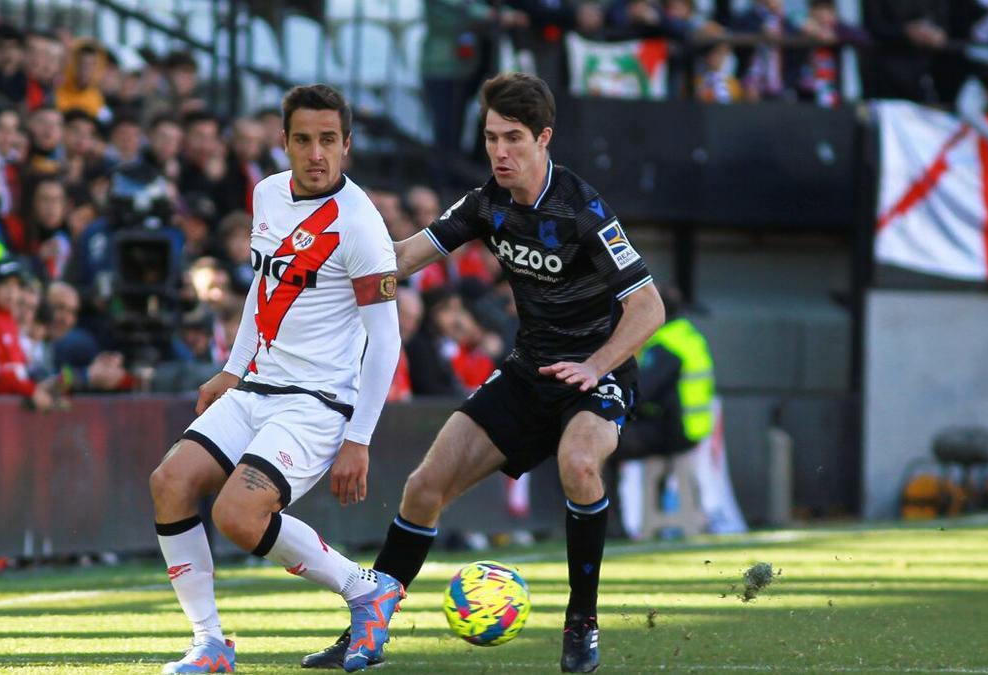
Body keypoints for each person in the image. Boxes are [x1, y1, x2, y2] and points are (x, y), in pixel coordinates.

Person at [303, 72, 665, 673]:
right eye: (492, 136)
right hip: (529, 372)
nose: (500, 151)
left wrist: (596, 364)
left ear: (544, 138)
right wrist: (328, 272)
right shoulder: (487, 204)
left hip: (596, 373)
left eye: (514, 138)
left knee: (580, 465)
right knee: (423, 488)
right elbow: (408, 256)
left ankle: (582, 624)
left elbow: (648, 308)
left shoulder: (583, 210)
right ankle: (367, 628)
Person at [149, 84, 402, 673]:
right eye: (304, 140)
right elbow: (262, 292)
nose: (317, 154)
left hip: (315, 402)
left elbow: (386, 341)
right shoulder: (266, 194)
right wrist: (233, 369)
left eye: (329, 141)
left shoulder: (361, 224)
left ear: (347, 145)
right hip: (255, 385)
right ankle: (209, 644)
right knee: (169, 482)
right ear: (284, 143)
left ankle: (365, 588)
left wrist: (359, 438)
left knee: (236, 516)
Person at [613, 285, 715, 536]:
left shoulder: (664, 345)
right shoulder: (687, 335)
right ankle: (647, 520)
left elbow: (642, 393)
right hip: (692, 430)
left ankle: (611, 529)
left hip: (675, 432)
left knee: (602, 445)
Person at [0, 258, 55, 410]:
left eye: (16, 285)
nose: (11, 292)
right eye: (4, 284)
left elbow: (17, 368)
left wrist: (36, 387)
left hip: (9, 408)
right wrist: (31, 391)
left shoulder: (8, 318)